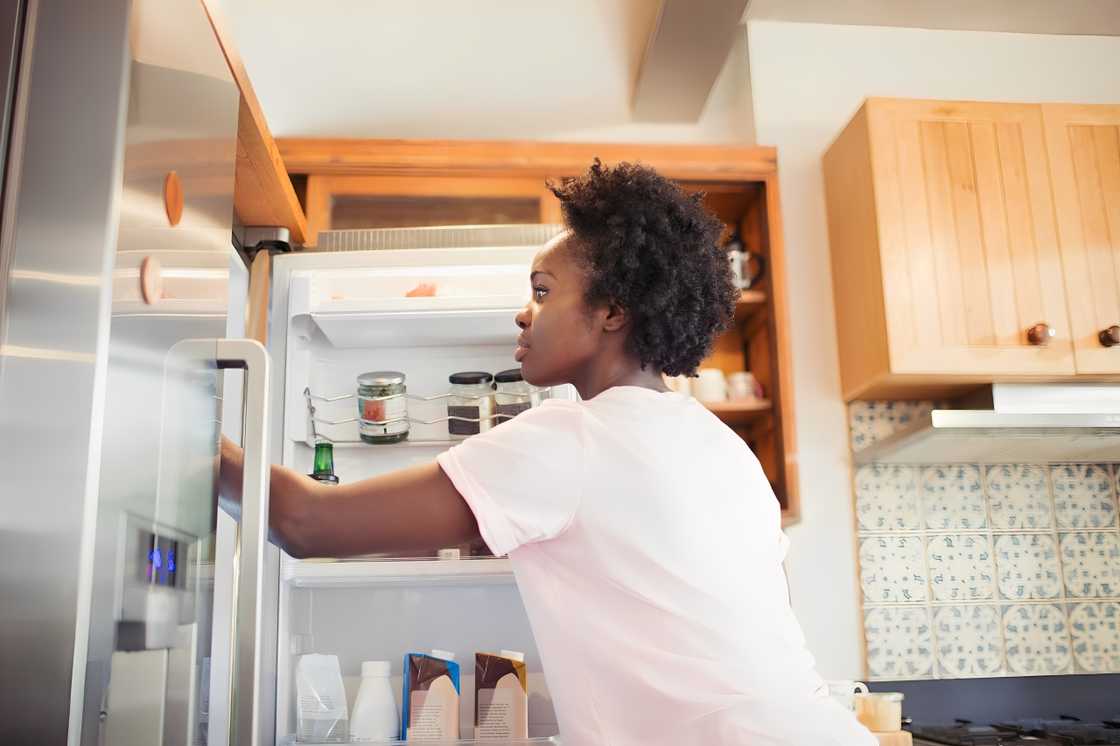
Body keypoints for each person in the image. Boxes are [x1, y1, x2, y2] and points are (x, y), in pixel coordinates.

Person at [219, 160, 875, 746]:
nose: (523, 314)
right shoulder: (724, 449)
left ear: (611, 312)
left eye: (541, 290)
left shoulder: (574, 437)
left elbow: (307, 522)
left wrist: (179, 428)